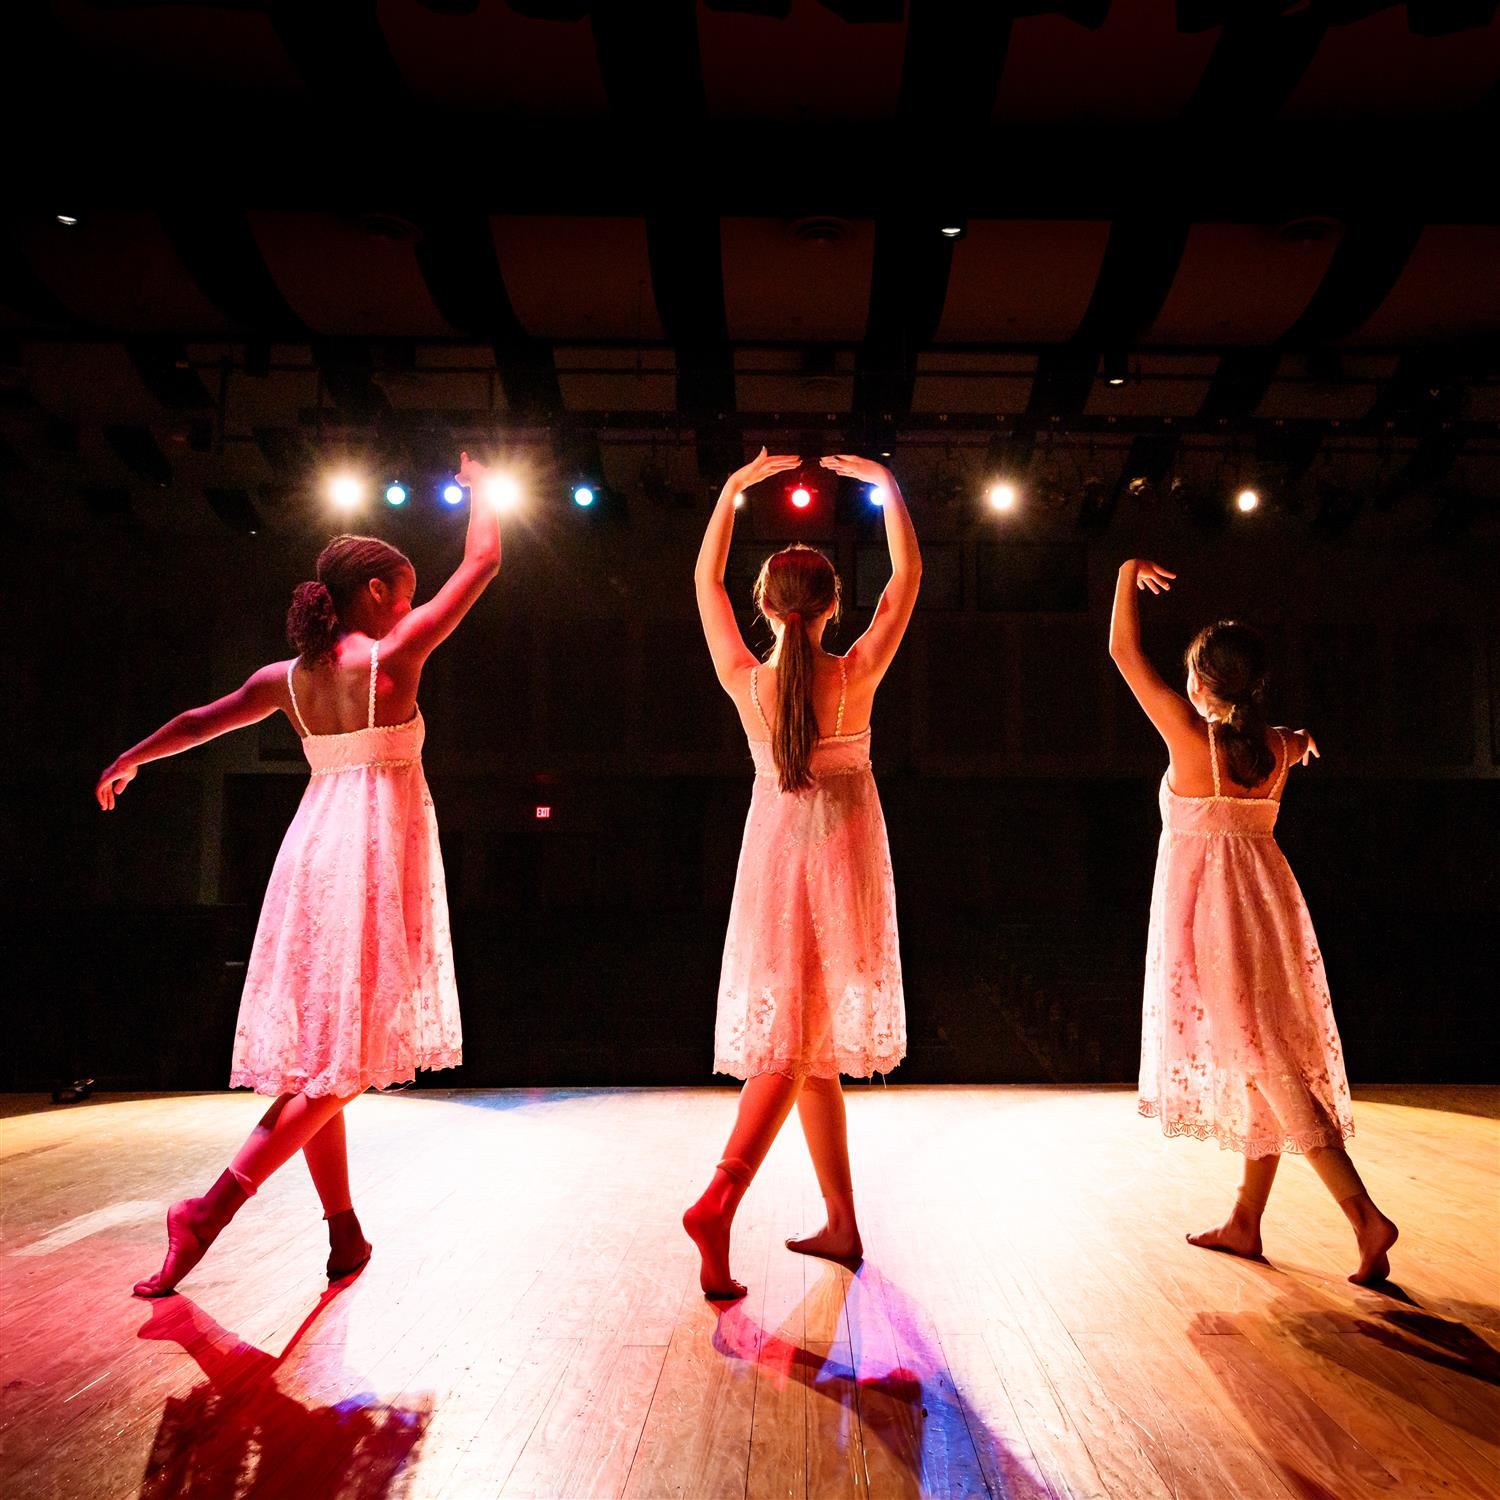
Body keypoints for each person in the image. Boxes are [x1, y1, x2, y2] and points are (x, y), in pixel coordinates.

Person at [97, 452, 502, 1296]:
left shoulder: (287, 678)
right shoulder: (394, 654)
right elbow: (486, 562)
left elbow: (197, 720)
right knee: (339, 1066)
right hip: (372, 861)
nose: (415, 597)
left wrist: (131, 757)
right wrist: (482, 487)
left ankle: (345, 1233)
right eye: (407, 585)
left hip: (315, 853)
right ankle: (209, 1208)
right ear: (379, 595)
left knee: (327, 1055)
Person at [1108, 558, 1398, 1284]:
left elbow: (1121, 651)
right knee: (1256, 1063)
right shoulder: (1275, 747)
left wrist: (1123, 573)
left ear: (1201, 683)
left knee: (1265, 1063)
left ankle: (1363, 1213)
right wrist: (1295, 737)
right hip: (1267, 910)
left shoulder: (1188, 734)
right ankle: (1246, 1219)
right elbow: (1289, 741)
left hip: (1213, 920)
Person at [683, 450, 920, 1300]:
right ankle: (720, 1195)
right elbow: (907, 578)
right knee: (795, 1046)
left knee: (810, 1046)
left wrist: (730, 490)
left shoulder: (748, 682)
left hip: (778, 857)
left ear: (764, 606)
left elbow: (705, 585)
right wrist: (886, 490)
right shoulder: (853, 675)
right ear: (831, 606)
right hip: (840, 860)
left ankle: (841, 1222)